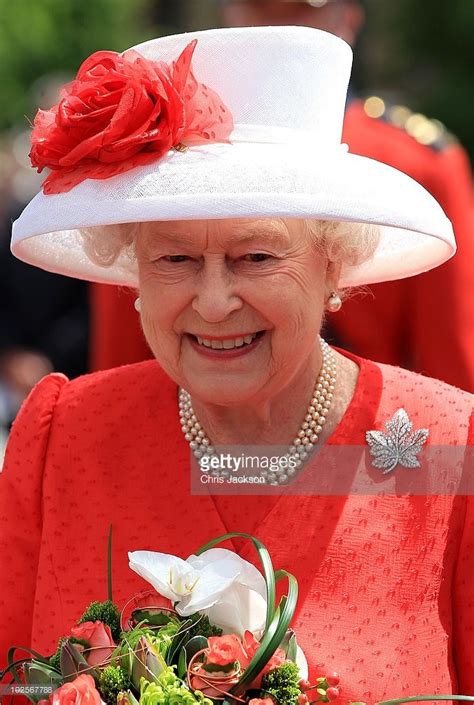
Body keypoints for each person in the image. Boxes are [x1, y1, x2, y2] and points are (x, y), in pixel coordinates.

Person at [1, 26, 473, 702]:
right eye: (176, 259)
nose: (215, 302)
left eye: (256, 257)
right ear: (133, 271)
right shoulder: (62, 436)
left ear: (333, 262)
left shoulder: (448, 449)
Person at [90, 0, 474, 393]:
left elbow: (452, 373)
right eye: (259, 8)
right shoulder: (153, 162)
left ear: (347, 20)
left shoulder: (420, 165)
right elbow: (120, 378)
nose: (277, 27)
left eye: (303, 11)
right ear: (229, 14)